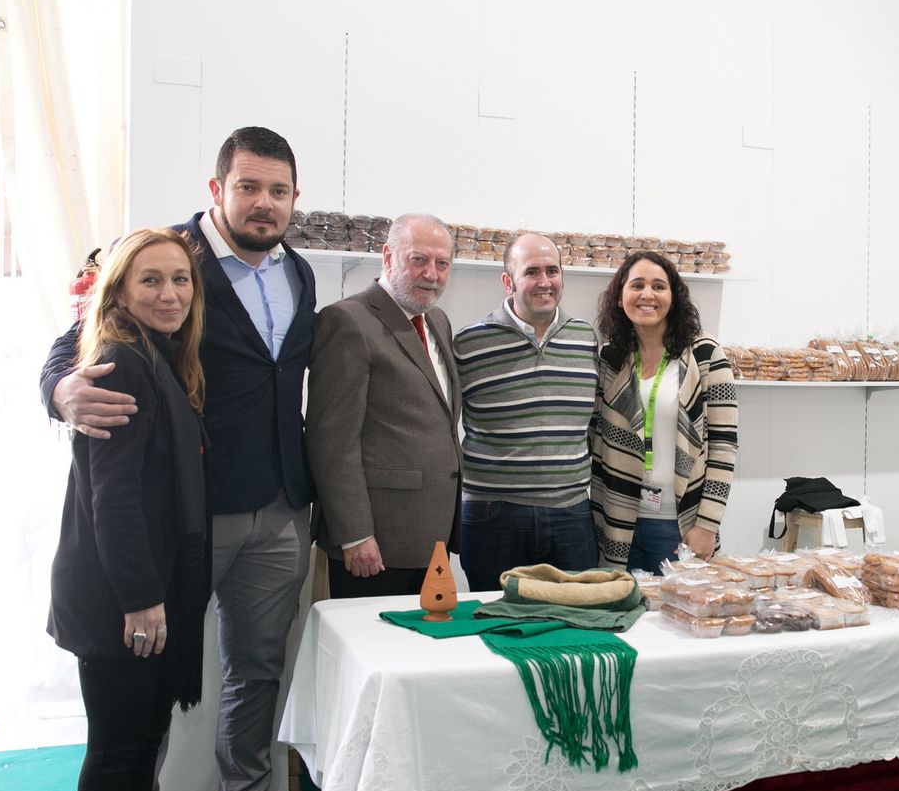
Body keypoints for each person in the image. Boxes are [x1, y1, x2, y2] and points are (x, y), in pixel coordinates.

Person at [42, 127, 316, 791]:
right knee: (149, 678)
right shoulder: (169, 260)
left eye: (279, 190)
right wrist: (62, 392)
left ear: (295, 198)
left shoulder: (300, 272)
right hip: (190, 516)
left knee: (257, 668)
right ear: (216, 189)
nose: (264, 203)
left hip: (282, 505)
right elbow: (77, 340)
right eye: (249, 187)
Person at [50, 227, 209, 791]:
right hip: (122, 600)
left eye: (180, 280)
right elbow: (110, 501)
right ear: (117, 288)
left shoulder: (153, 355)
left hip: (139, 593)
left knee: (136, 747)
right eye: (151, 281)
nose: (170, 294)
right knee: (117, 753)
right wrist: (143, 599)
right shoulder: (117, 361)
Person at [307, 213, 462, 596]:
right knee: (374, 651)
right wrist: (355, 534)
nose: (432, 273)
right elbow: (332, 442)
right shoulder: (347, 322)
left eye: (442, 264)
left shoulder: (437, 320)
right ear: (388, 256)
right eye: (419, 260)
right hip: (374, 542)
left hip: (430, 534)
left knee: (421, 650)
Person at [452, 233, 599, 590]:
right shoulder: (470, 343)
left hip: (572, 512)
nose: (544, 282)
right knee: (496, 622)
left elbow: (594, 424)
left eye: (553, 271)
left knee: (575, 625)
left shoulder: (586, 339)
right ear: (508, 281)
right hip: (494, 515)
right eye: (532, 271)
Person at [590, 249, 738, 571]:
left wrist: (707, 525)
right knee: (623, 615)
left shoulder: (705, 353)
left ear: (674, 296)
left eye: (659, 286)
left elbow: (725, 446)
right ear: (619, 297)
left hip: (681, 525)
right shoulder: (610, 359)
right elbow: (594, 440)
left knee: (681, 615)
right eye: (637, 285)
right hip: (618, 523)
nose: (648, 295)